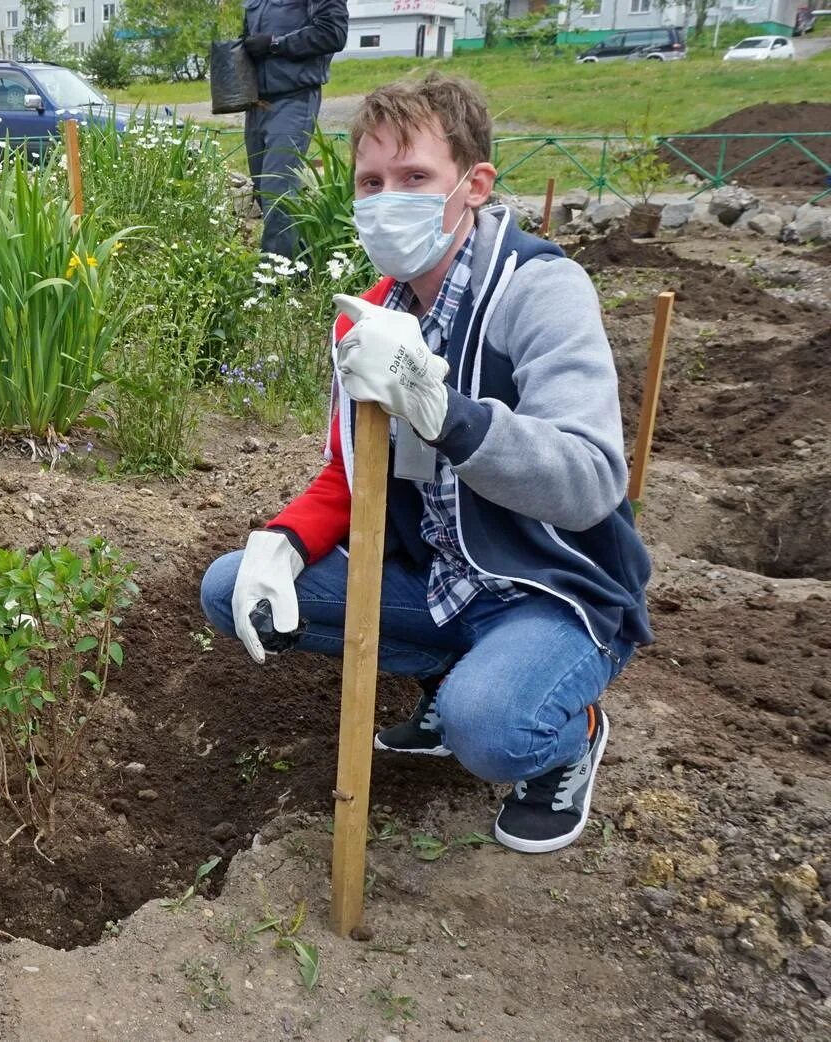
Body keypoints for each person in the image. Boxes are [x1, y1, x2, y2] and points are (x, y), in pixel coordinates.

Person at [200, 74, 652, 854]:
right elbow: (352, 474)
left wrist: (450, 416)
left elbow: (589, 479)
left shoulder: (537, 291)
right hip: (440, 579)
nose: (387, 200)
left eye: (414, 179)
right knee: (229, 587)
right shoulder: (377, 314)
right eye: (371, 182)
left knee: (493, 729)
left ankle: (568, 733)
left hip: (547, 587)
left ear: (473, 185)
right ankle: (452, 675)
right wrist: (283, 542)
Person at [240, 0, 348, 259]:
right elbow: (249, 36)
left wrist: (275, 44)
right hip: (257, 102)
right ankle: (300, 268)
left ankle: (275, 283)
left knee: (278, 192)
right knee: (264, 192)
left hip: (293, 98)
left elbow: (333, 33)